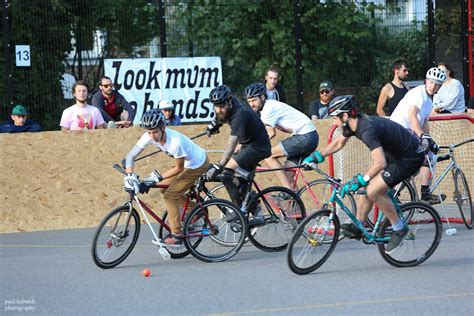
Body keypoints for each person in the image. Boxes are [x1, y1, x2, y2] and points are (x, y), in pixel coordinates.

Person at [303, 95, 425, 254]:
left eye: (335, 118)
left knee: (373, 190)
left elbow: (380, 162)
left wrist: (362, 179)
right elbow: (339, 143)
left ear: (345, 116)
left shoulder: (366, 129)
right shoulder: (352, 124)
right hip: (395, 155)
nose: (333, 122)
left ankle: (399, 228)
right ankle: (358, 226)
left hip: (410, 157)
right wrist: (317, 156)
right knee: (368, 186)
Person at [123, 110, 208, 246]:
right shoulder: (149, 135)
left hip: (197, 164)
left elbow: (178, 169)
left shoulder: (175, 142)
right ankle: (195, 211)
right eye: (149, 132)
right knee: (164, 189)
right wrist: (129, 175)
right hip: (186, 164)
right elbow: (130, 156)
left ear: (163, 127)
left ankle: (176, 235)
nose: (152, 136)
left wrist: (155, 179)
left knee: (170, 195)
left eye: (155, 132)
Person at [205, 85, 271, 216]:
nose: (219, 109)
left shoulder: (240, 113)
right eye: (215, 106)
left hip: (258, 147)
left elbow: (231, 144)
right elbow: (221, 115)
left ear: (229, 102)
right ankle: (252, 204)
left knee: (225, 173)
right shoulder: (230, 105)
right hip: (248, 145)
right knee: (237, 180)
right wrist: (214, 124)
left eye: (221, 105)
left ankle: (238, 211)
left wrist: (219, 164)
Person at [244, 82, 318, 189]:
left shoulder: (268, 108)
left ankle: (286, 189)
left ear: (262, 96)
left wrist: (251, 146)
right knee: (288, 178)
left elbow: (270, 133)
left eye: (254, 100)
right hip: (307, 137)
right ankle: (292, 199)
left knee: (269, 155)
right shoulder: (268, 107)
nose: (251, 104)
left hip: (305, 136)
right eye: (249, 101)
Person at [390, 67, 446, 204]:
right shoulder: (418, 93)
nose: (433, 86)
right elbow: (412, 117)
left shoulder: (429, 100)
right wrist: (422, 137)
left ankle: (423, 193)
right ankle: (395, 192)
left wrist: (429, 139)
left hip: (407, 131)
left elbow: (424, 123)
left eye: (437, 84)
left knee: (428, 155)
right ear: (426, 81)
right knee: (417, 158)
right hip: (398, 130)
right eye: (431, 82)